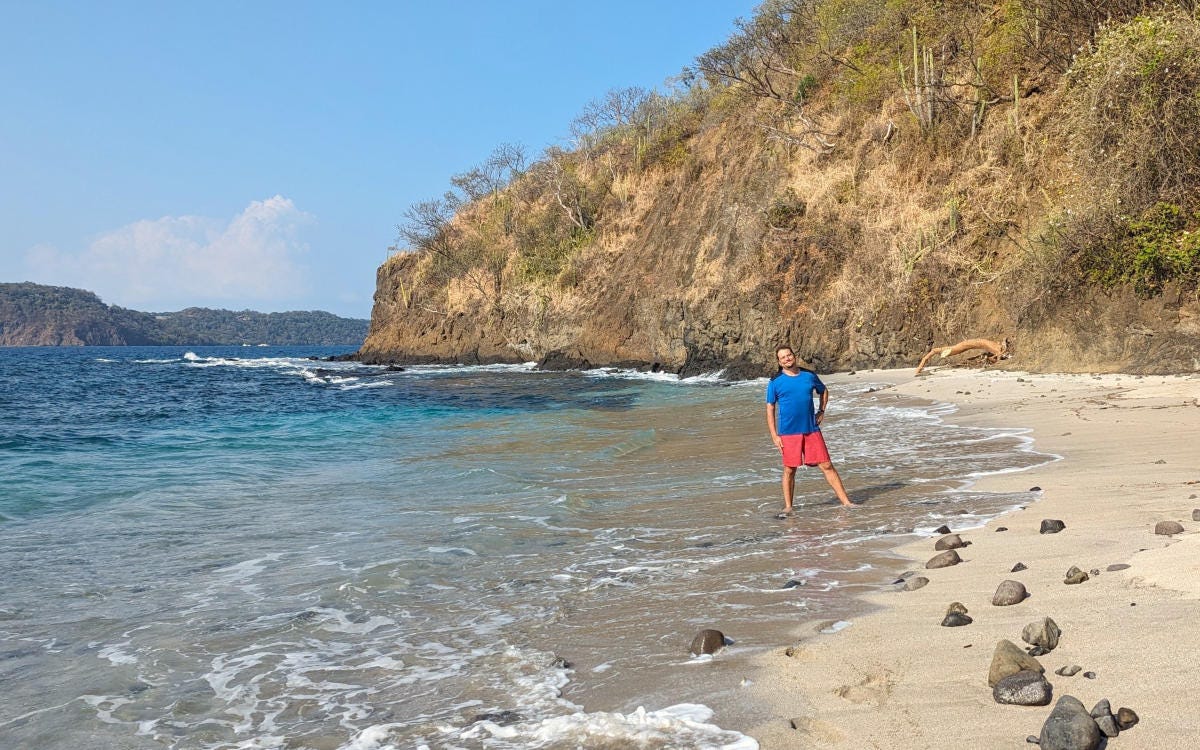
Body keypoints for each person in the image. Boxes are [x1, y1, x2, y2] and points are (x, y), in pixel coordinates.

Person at [765, 345, 853, 515]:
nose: (787, 359)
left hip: (811, 429)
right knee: (790, 469)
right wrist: (774, 435)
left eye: (788, 355)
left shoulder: (809, 376)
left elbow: (824, 391)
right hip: (788, 432)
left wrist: (821, 411)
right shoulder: (775, 382)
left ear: (794, 356)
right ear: (779, 362)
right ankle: (789, 506)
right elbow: (770, 408)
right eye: (782, 357)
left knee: (827, 465)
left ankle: (847, 502)